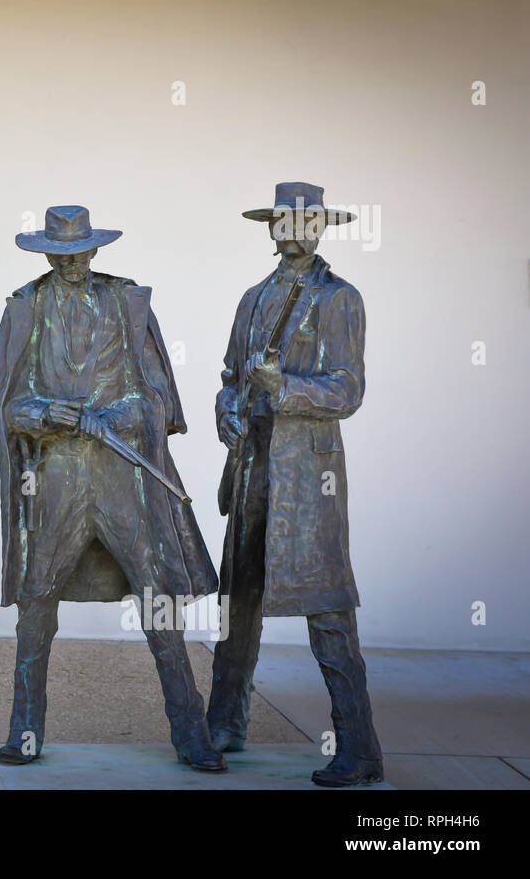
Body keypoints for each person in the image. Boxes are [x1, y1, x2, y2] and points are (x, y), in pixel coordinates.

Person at [0, 205, 224, 771]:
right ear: (46, 254)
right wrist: (42, 412)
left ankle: (192, 732)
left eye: (80, 253)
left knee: (159, 601)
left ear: (95, 250)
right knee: (37, 602)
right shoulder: (23, 309)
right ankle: (25, 731)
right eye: (60, 255)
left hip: (123, 479)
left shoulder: (128, 304)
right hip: (56, 480)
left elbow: (161, 401)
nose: (71, 264)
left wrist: (118, 413)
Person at [208, 182, 384, 787]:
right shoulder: (253, 298)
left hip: (309, 480)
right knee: (239, 602)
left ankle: (359, 749)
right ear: (271, 228)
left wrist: (285, 389)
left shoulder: (340, 299)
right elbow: (230, 376)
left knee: (328, 608)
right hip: (253, 467)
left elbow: (347, 390)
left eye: (306, 223)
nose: (294, 232)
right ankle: (224, 724)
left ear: (320, 229)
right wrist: (229, 411)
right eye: (284, 222)